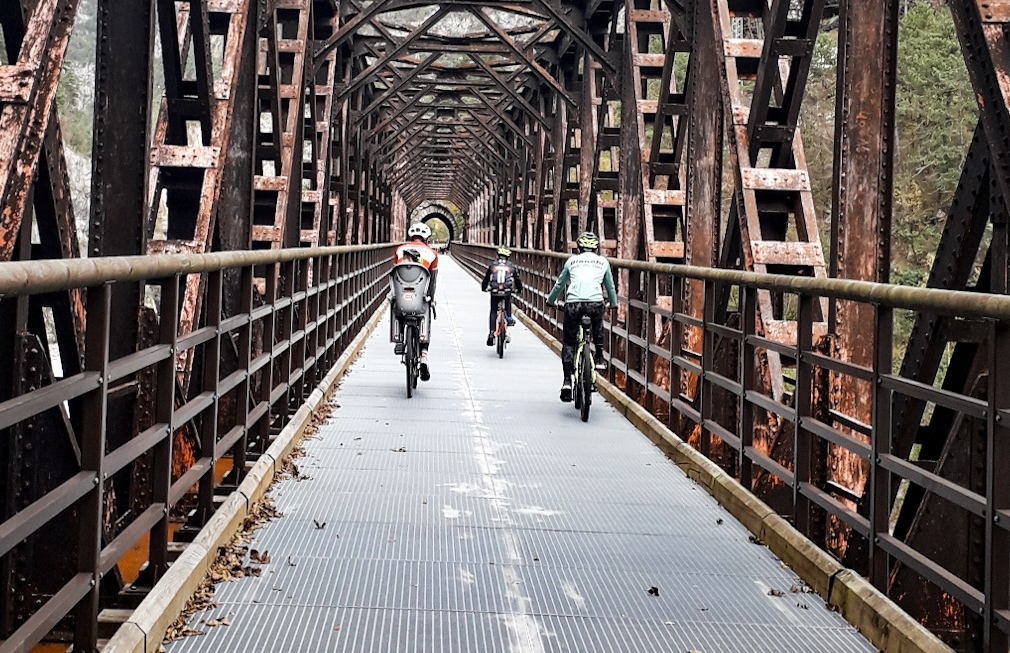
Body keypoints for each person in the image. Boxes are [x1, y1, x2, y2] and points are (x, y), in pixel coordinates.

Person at [546, 231, 617, 402]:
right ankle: (599, 356)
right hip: (594, 303)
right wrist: (613, 303)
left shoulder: (572, 261)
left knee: (569, 342)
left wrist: (550, 301)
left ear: (579, 247)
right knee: (598, 325)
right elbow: (610, 287)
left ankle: (567, 382)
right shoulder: (603, 262)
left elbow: (559, 284)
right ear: (596, 248)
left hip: (574, 304)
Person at [393, 222, 439, 380]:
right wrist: (431, 298)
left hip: (402, 298)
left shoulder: (399, 250)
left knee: (395, 305)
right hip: (419, 299)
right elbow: (432, 280)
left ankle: (398, 336)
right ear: (426, 238)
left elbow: (395, 275)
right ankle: (424, 356)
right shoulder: (432, 254)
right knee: (425, 312)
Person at [480, 246, 524, 346]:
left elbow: (486, 279)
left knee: (493, 311)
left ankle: (491, 333)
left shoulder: (493, 265)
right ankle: (508, 317)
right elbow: (517, 280)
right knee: (508, 298)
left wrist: (484, 288)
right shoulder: (511, 266)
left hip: (495, 289)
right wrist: (519, 289)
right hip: (506, 289)